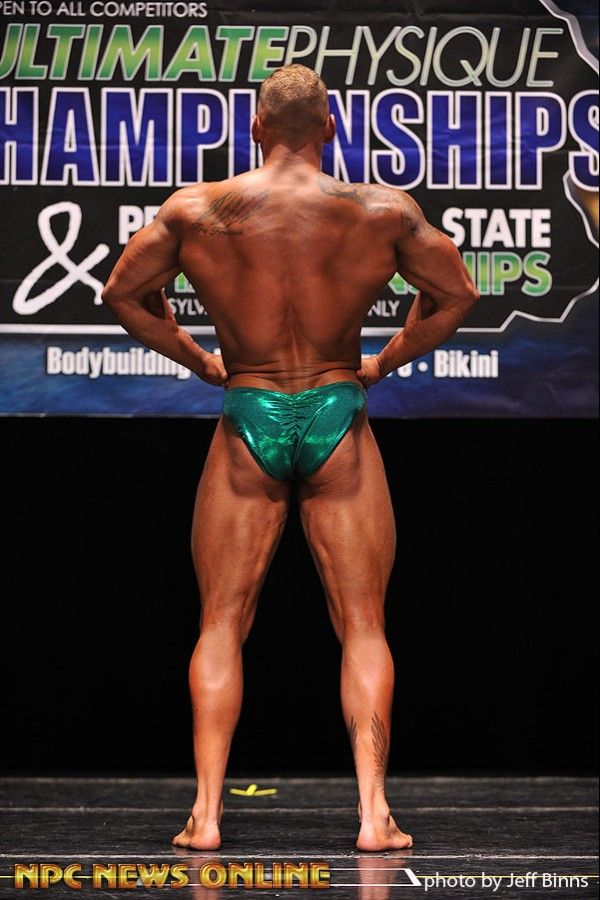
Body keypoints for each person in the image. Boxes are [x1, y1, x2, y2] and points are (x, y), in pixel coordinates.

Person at [102, 64, 479, 852]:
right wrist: (383, 362)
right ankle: (374, 815)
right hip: (338, 412)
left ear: (256, 128)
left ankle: (206, 816)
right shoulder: (380, 210)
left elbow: (122, 295)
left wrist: (198, 359)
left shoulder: (198, 210)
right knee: (364, 624)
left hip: (249, 411)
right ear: (331, 128)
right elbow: (457, 296)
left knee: (220, 622)